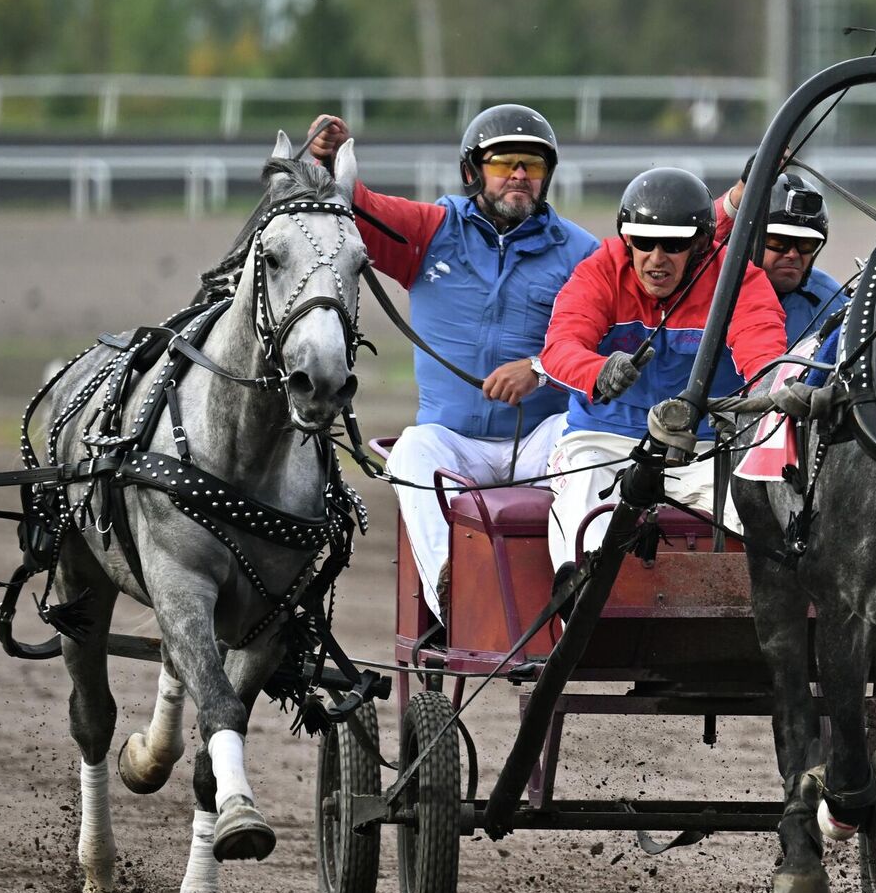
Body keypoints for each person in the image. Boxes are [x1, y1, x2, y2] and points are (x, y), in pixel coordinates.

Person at [305, 106, 600, 621]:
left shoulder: (581, 253)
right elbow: (355, 206)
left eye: (532, 165)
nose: (518, 175)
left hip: (539, 441)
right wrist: (324, 166)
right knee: (411, 449)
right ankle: (457, 600)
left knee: (584, 442)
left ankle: (576, 590)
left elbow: (605, 343)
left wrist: (539, 367)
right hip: (452, 444)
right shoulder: (430, 231)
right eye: (504, 162)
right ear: (472, 172)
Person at [539, 168, 788, 574]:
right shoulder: (600, 270)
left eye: (673, 244)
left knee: (775, 523)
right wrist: (599, 371)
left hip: (708, 449)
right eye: (642, 241)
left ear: (702, 245)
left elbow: (763, 354)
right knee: (585, 514)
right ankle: (582, 614)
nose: (656, 258)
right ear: (626, 239)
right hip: (603, 443)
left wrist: (778, 390)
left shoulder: (737, 278)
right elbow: (560, 348)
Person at [717, 169, 849, 371]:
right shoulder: (712, 285)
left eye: (806, 244)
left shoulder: (837, 305)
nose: (793, 254)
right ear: (749, 242)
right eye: (778, 241)